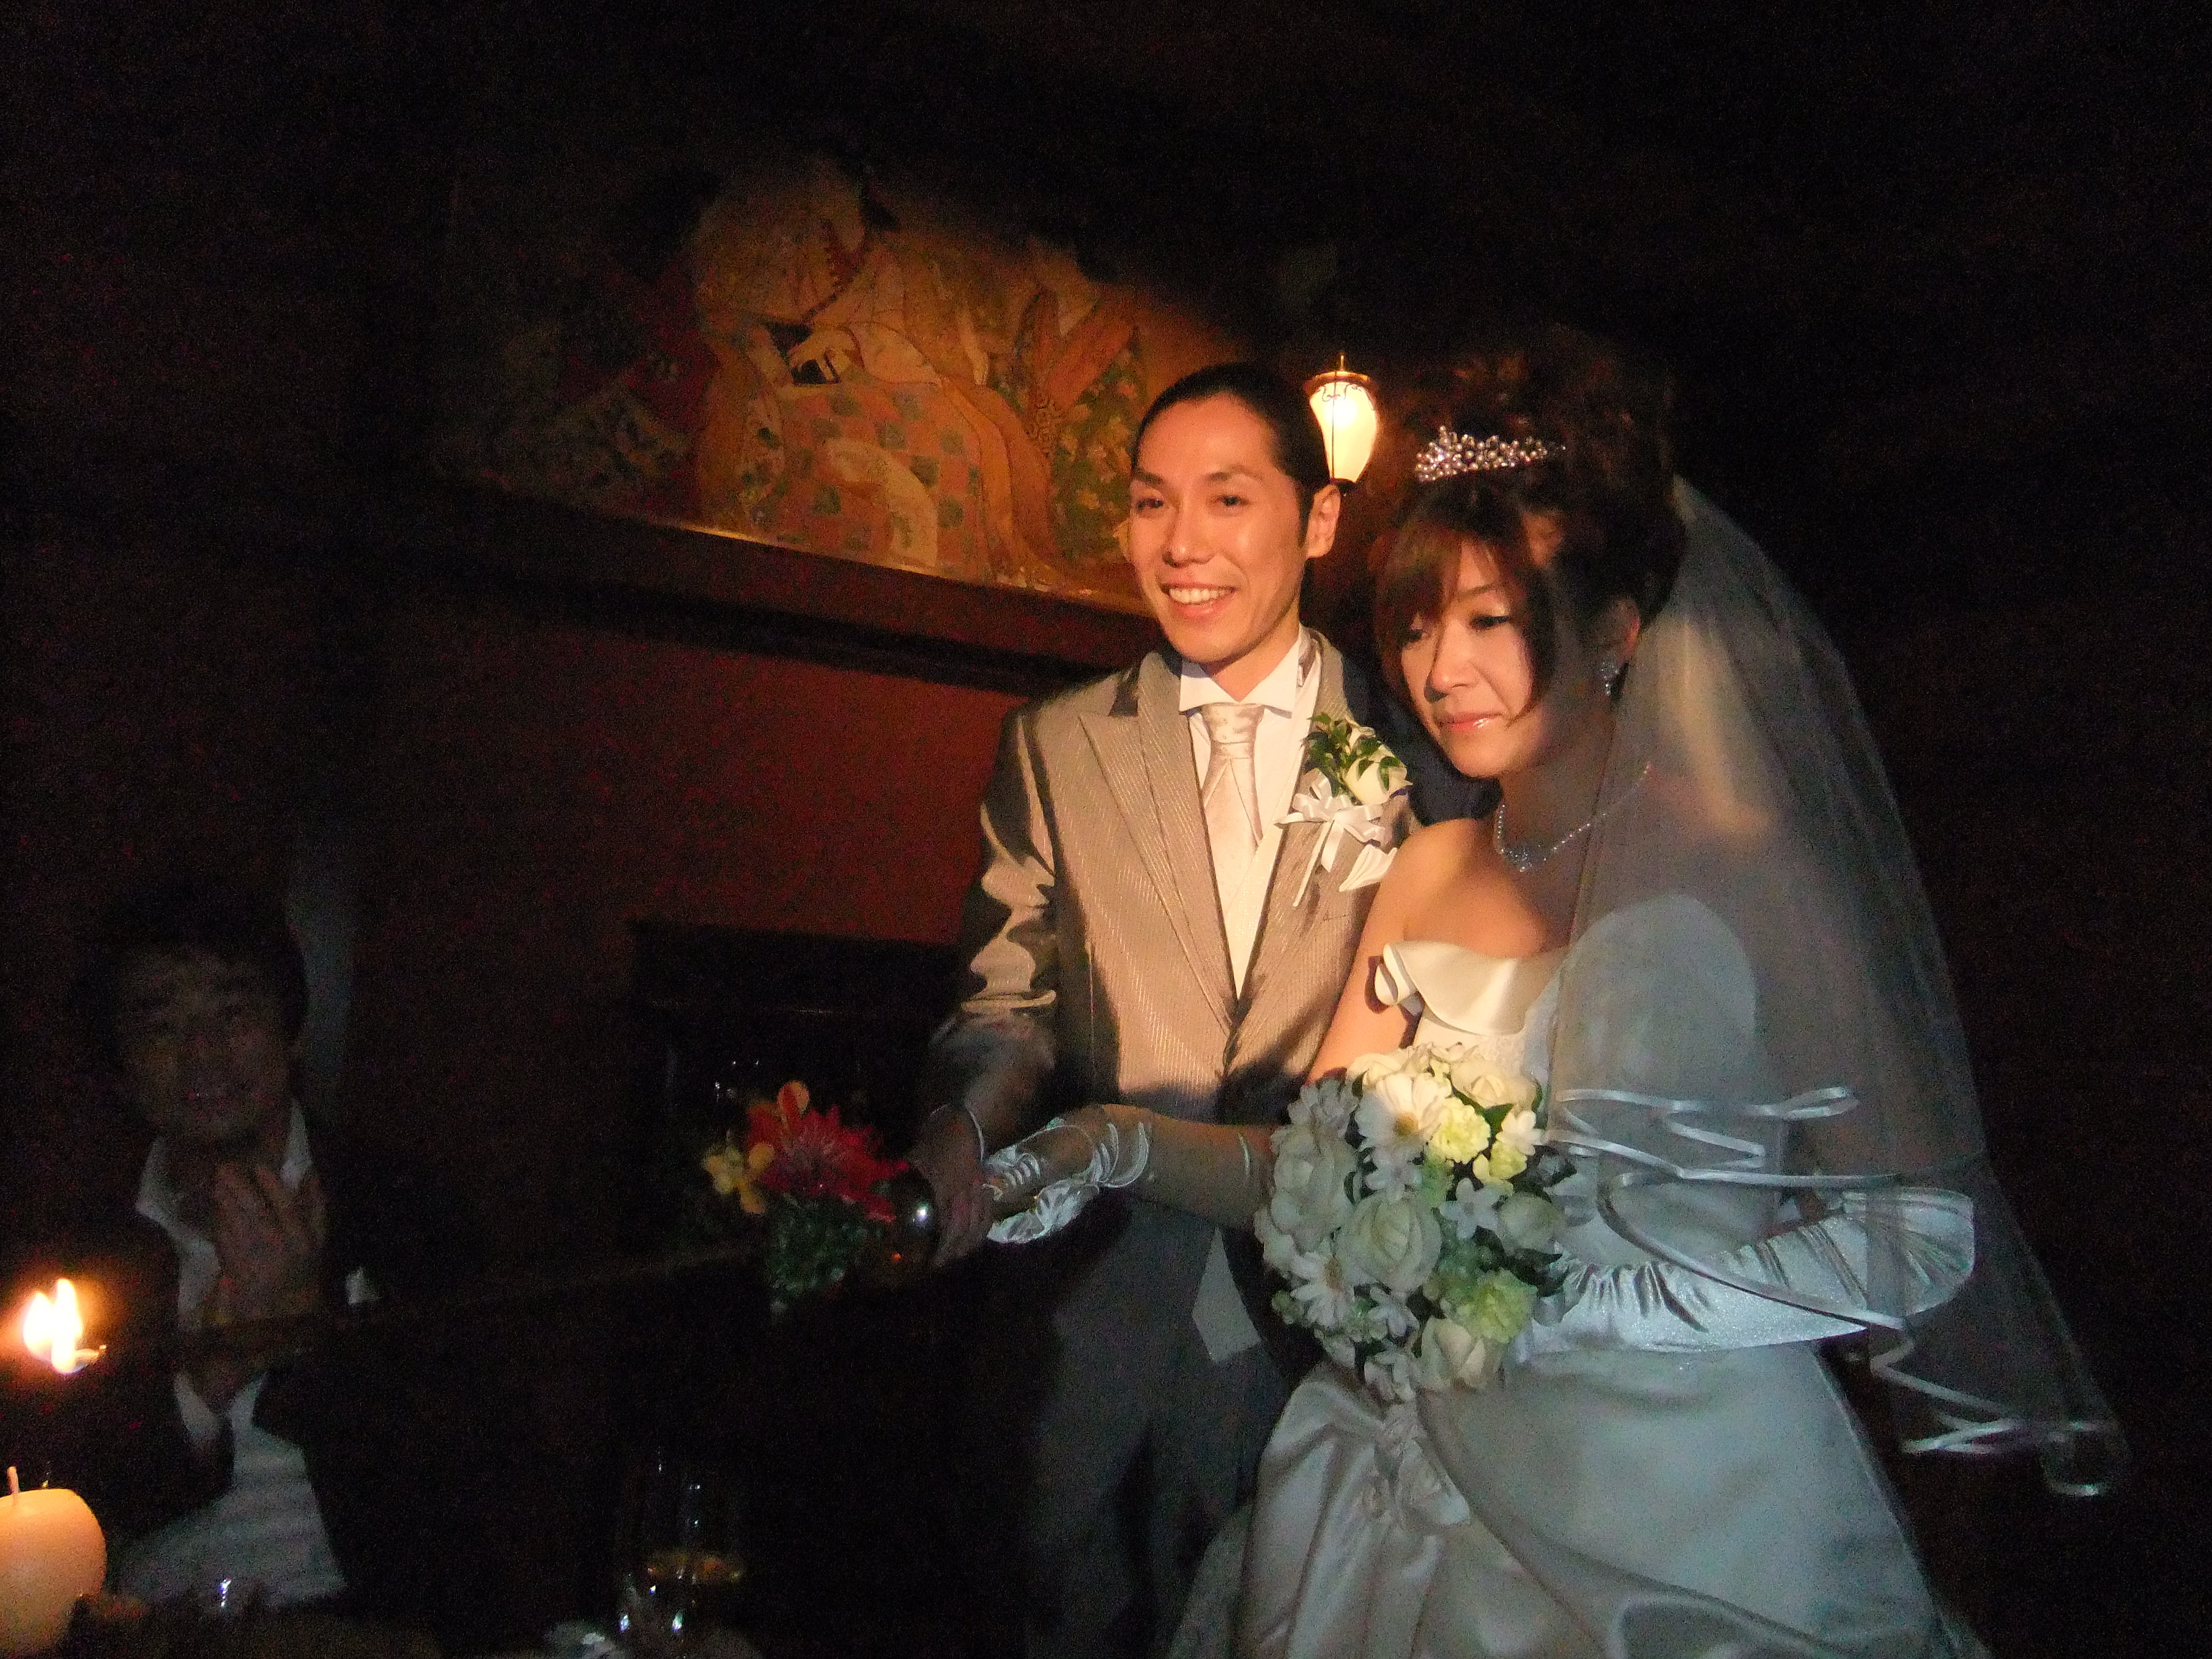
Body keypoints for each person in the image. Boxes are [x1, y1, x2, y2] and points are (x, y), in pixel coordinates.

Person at [986, 330, 2121, 1657]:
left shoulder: (1750, 870)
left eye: (1491, 622)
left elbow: (1916, 1234)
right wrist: (1114, 1142)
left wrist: (1601, 1304)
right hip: (1407, 1455)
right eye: (1416, 625)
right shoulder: (1424, 867)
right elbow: (1308, 1168)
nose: (1439, 671)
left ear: (1616, 629)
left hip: (1681, 1497)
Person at [913, 362, 1482, 1659]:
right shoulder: (1055, 745)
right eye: (1149, 502)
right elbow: (1008, 1000)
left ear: (1318, 519)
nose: (1181, 544)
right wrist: (961, 1122)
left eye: (1227, 500)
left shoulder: (1424, 743)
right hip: (1087, 1307)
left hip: (1318, 1332)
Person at [7, 878, 527, 1646]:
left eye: (233, 1014)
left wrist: (303, 1329)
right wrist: (208, 1379)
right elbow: (55, 1491)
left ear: (290, 1031)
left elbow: (468, 1488)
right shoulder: (78, 1253)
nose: (203, 1055)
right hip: (150, 1631)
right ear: (120, 1069)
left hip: (355, 1625)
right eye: (161, 1025)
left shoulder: (403, 1211)